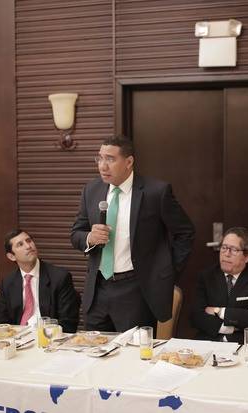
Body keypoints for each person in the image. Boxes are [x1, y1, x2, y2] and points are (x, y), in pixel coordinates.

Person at [70, 135, 195, 332]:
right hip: (98, 289)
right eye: (99, 158)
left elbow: (185, 233)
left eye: (110, 159)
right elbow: (76, 232)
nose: (103, 166)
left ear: (129, 162)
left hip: (135, 291)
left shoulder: (156, 192)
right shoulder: (91, 190)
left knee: (133, 357)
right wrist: (89, 237)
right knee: (94, 353)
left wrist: (167, 270)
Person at [190, 227, 248, 342]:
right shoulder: (206, 276)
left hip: (243, 343)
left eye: (233, 250)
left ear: (247, 256)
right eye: (224, 248)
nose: (226, 254)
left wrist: (219, 311)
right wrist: (229, 327)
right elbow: (196, 316)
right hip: (209, 340)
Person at [0, 230, 80, 333]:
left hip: (48, 338)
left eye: (29, 240)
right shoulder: (8, 282)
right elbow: (0, 322)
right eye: (20, 244)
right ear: (11, 256)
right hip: (18, 338)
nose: (28, 246)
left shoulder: (59, 277)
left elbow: (68, 323)